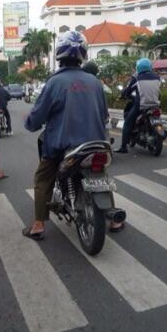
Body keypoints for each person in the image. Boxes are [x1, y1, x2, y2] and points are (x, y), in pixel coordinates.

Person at [23, 31, 121, 240]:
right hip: (96, 144)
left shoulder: (54, 83)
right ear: (82, 54)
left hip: (63, 146)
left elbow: (37, 116)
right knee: (100, 174)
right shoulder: (95, 82)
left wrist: (30, 123)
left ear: (59, 53)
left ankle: (39, 224)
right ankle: (114, 219)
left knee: (42, 178)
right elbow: (104, 115)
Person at [115, 58, 161, 154]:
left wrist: (123, 95)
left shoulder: (137, 78)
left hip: (141, 106)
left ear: (138, 67)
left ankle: (123, 147)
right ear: (149, 67)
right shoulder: (157, 77)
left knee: (127, 123)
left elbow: (128, 91)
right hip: (155, 106)